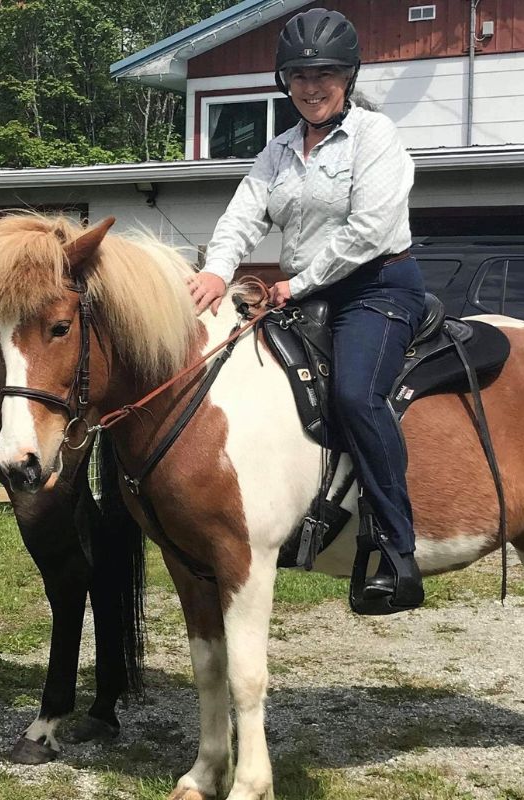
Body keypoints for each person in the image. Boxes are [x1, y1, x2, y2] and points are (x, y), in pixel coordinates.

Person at [188, 7, 426, 614]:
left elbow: (370, 230)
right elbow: (244, 212)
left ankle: (398, 551)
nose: (311, 86)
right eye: (298, 75)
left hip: (377, 288)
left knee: (354, 395)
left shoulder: (376, 138)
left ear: (348, 76)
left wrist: (299, 283)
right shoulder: (279, 151)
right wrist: (217, 268)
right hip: (310, 292)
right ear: (283, 81)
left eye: (325, 74)